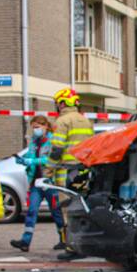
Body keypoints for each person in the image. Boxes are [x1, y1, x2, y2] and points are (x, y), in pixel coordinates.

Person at [9, 116, 66, 252]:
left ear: (45, 126)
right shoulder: (34, 142)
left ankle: (64, 240)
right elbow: (30, 155)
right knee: (32, 211)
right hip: (36, 183)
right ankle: (25, 241)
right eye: (33, 127)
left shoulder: (52, 140)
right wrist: (23, 160)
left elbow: (50, 159)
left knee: (56, 212)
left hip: (49, 182)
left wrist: (32, 162)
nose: (35, 130)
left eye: (37, 127)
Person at [49, 88, 94, 261]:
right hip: (84, 169)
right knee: (83, 207)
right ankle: (85, 244)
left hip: (66, 171)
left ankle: (72, 248)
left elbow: (57, 150)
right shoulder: (86, 121)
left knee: (69, 209)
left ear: (62, 103)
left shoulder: (62, 121)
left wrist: (48, 169)